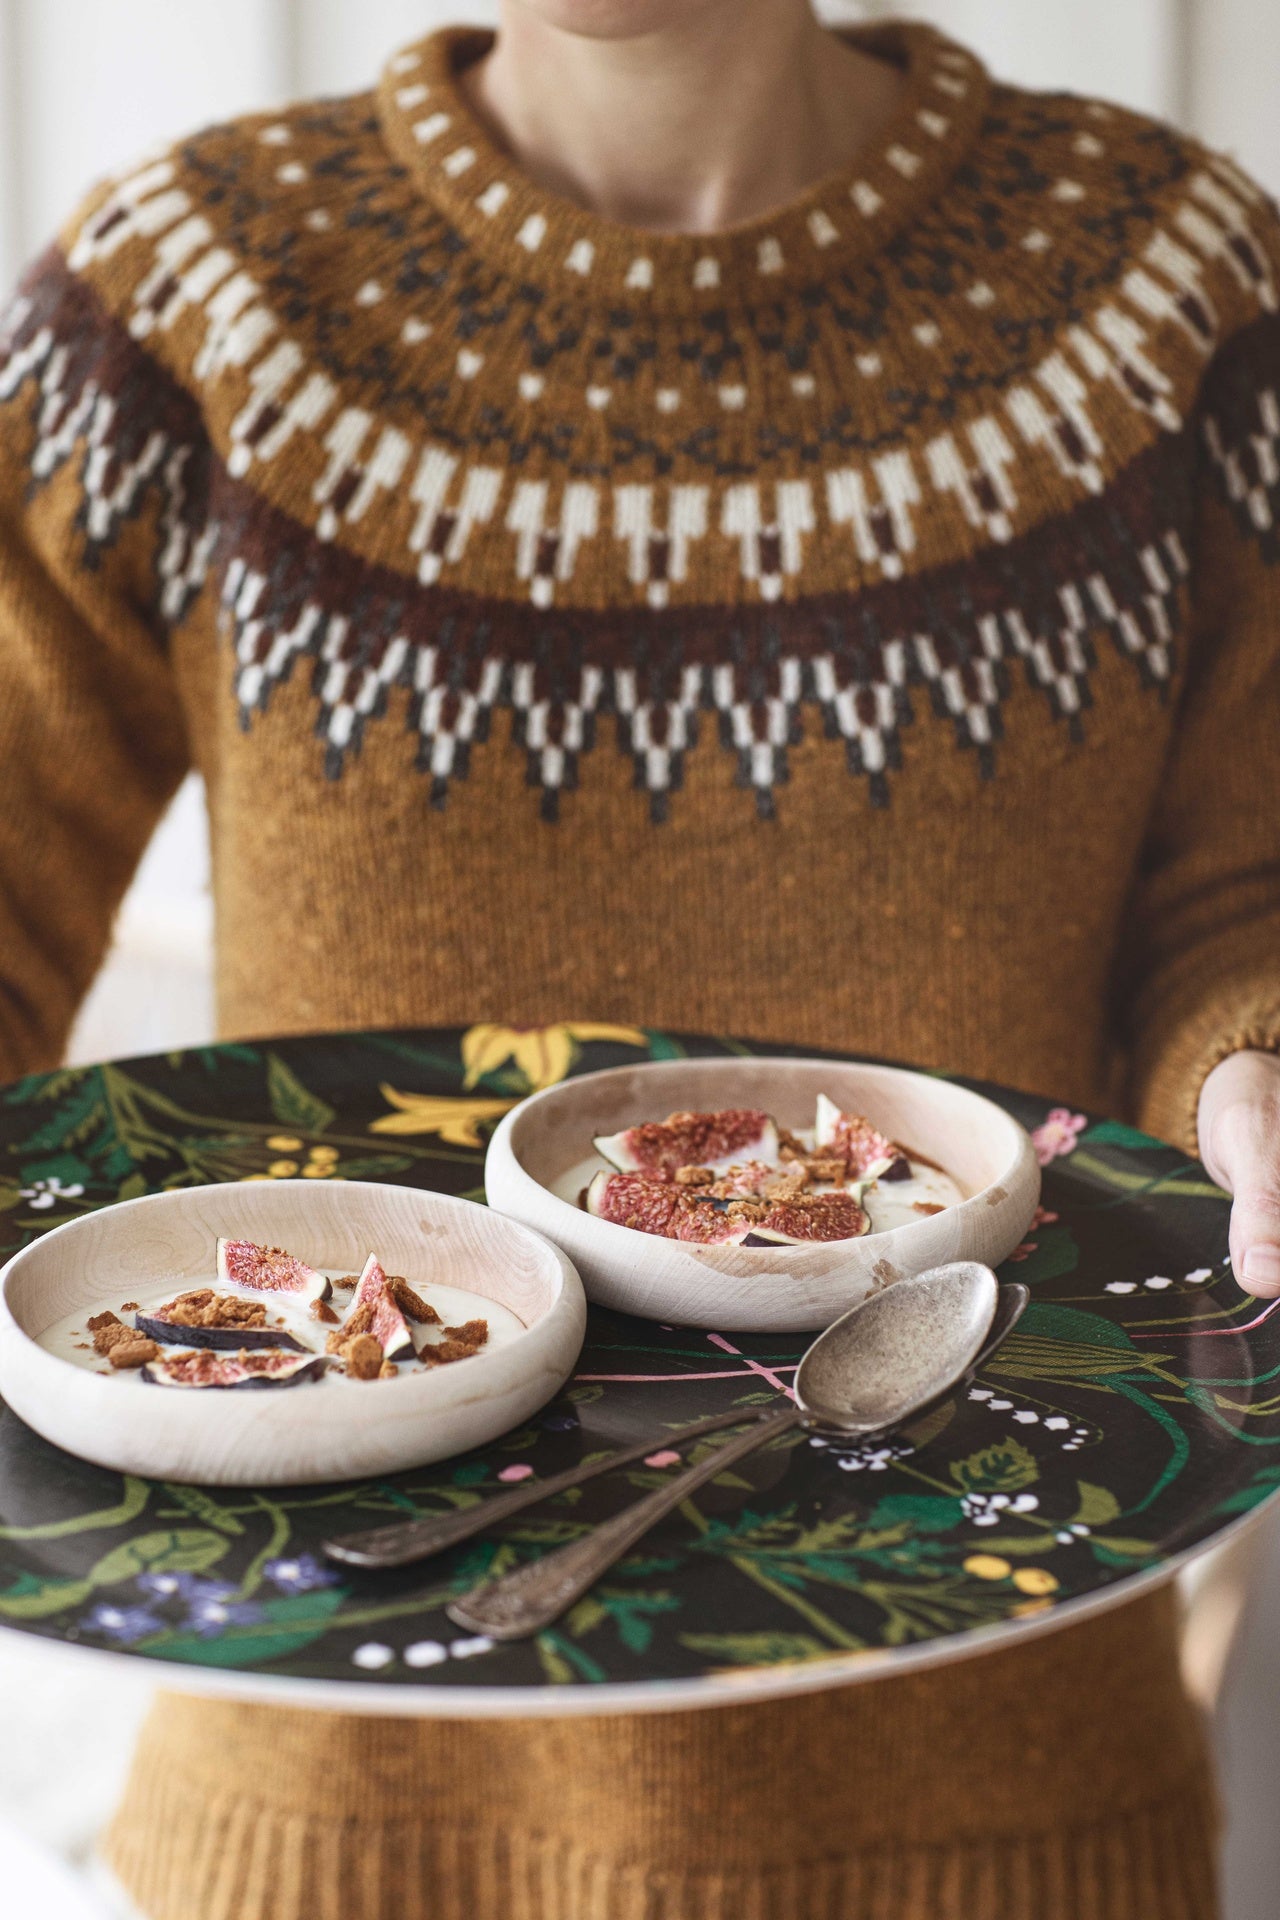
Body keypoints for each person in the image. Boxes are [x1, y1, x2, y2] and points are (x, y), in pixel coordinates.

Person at [2, 1, 1278, 1913]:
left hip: (1004, 1812)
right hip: (330, 1826)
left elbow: (1237, 895)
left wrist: (1257, 1059)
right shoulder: (188, 297)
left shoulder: (1173, 288)